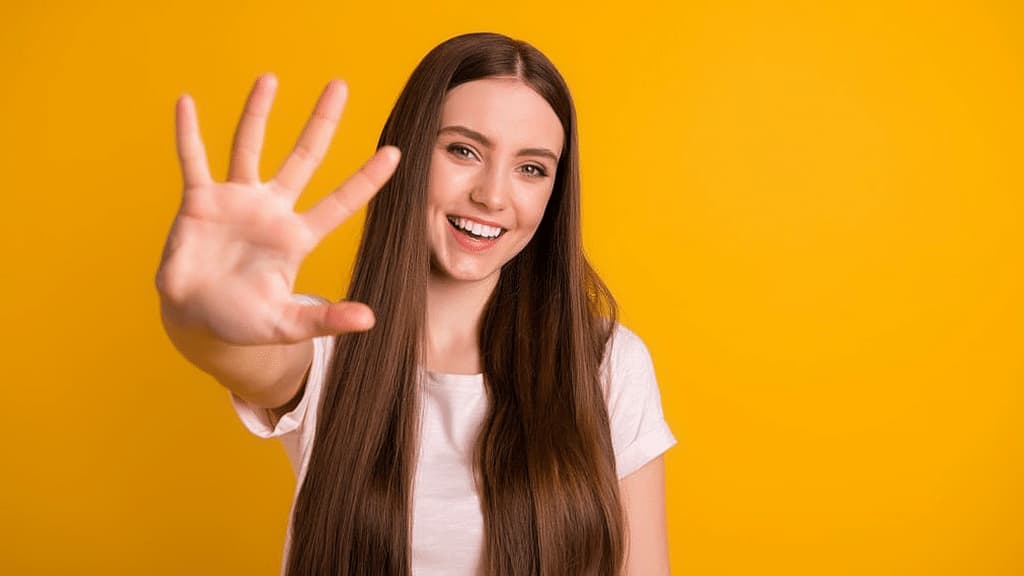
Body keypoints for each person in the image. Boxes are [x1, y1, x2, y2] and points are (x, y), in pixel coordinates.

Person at [157, 32, 676, 575]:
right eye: (463, 150)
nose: (493, 196)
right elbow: (231, 346)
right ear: (407, 154)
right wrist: (197, 309)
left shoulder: (606, 362)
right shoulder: (327, 347)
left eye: (531, 168)